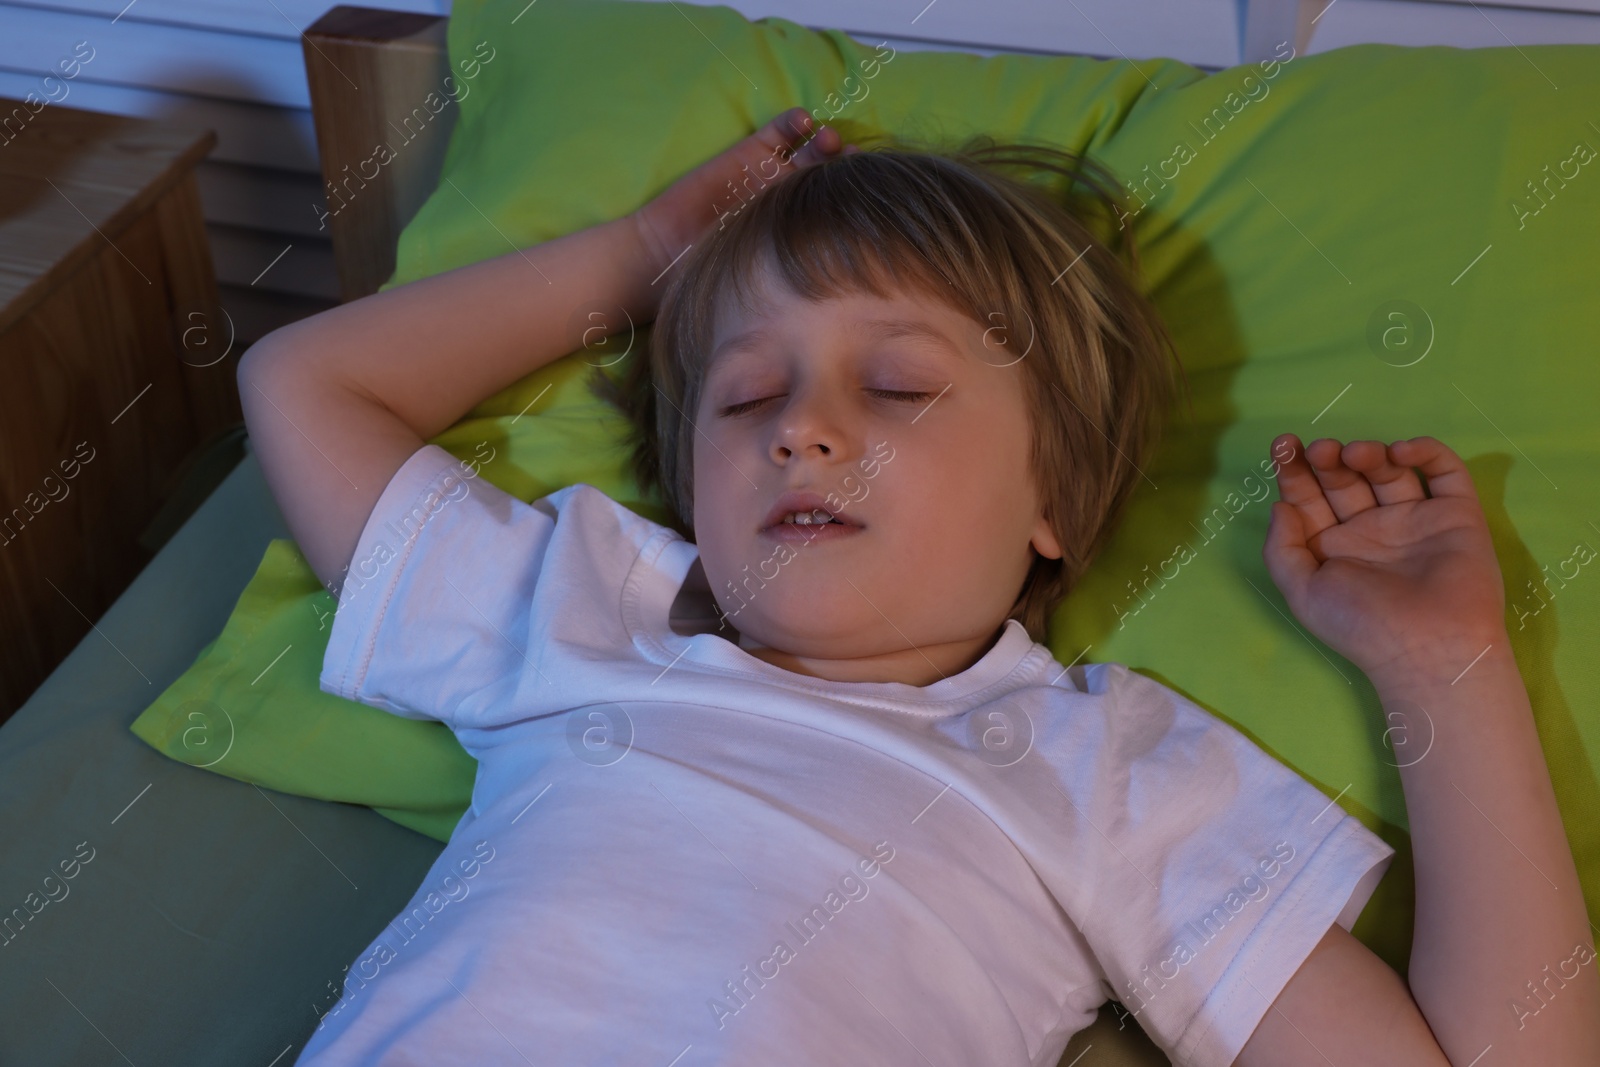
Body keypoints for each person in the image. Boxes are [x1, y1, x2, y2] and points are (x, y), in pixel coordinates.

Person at [241, 107, 1599, 1065]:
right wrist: (643, 258)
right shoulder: (589, 617)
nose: (800, 427)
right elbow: (301, 382)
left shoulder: (1103, 774)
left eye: (897, 385)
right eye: (746, 392)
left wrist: (1448, 671)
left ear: (1057, 502)